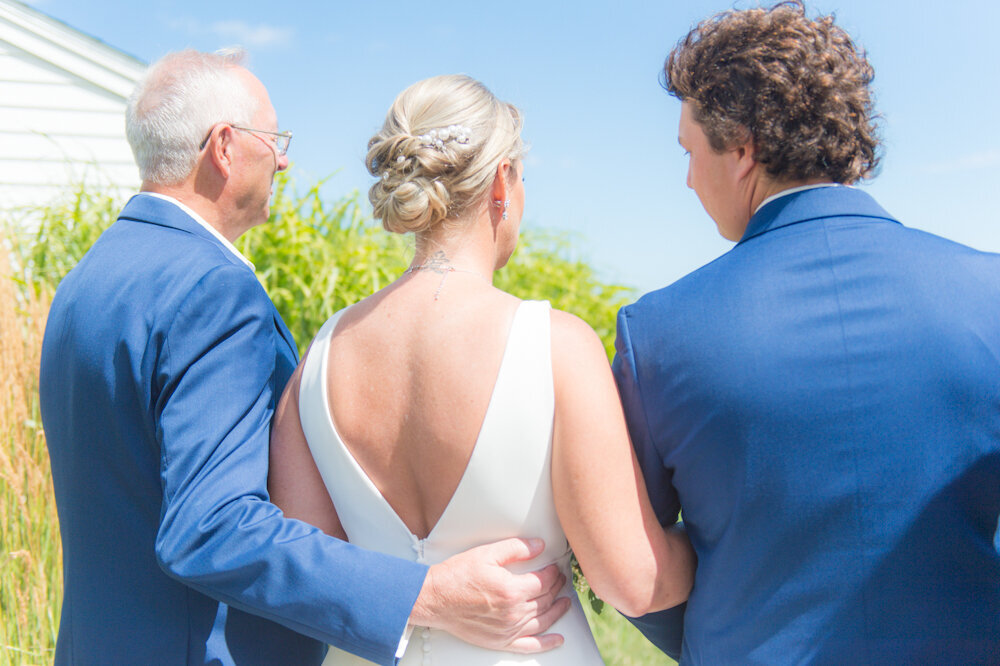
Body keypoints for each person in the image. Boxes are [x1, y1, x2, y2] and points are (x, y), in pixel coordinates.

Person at [39, 50, 574, 666]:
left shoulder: (84, 282)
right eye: (275, 138)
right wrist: (426, 595)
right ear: (224, 147)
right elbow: (210, 528)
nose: (285, 158)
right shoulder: (212, 290)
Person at [612, 2, 1000, 662]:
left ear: (741, 150)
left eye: (689, 149)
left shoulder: (657, 331)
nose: (686, 176)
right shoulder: (989, 293)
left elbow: (633, 560)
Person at [267, 74, 696, 664]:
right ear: (502, 182)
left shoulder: (317, 360)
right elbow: (632, 579)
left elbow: (307, 574)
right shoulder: (557, 346)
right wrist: (721, 542)